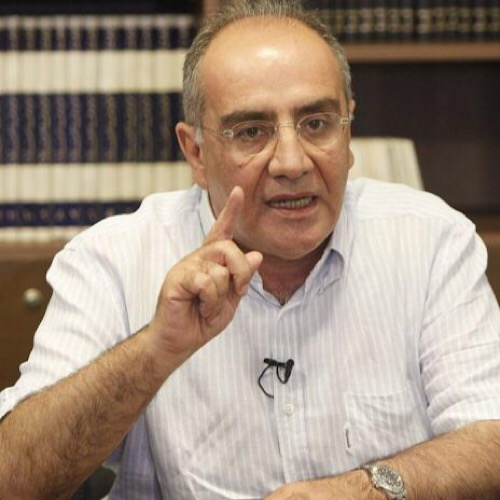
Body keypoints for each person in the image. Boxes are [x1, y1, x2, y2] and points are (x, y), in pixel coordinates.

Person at [1, 0, 499, 498]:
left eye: (316, 123)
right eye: (252, 132)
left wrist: (363, 491)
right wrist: (155, 350)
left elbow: (491, 435)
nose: (291, 163)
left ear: (348, 130)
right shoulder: (113, 260)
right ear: (196, 152)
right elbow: (13, 478)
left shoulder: (429, 241)